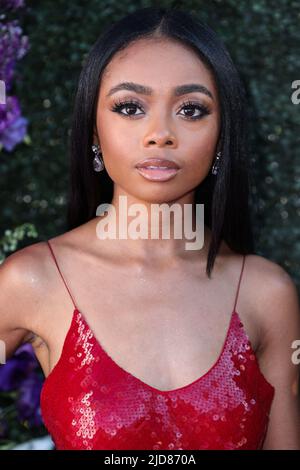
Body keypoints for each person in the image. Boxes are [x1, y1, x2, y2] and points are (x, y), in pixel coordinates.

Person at [0, 7, 299, 450]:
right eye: (130, 107)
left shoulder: (265, 292)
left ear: (222, 135)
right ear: (94, 132)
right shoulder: (31, 280)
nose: (160, 133)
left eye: (191, 110)